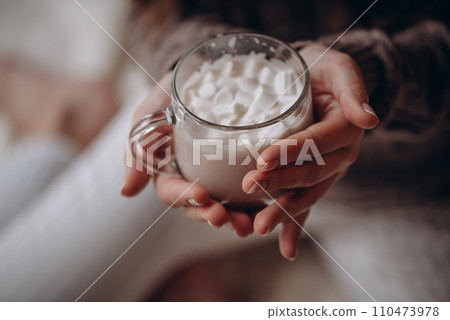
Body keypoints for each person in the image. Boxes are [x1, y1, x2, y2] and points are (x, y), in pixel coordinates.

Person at [0, 0, 449, 301]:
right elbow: (156, 9)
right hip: (199, 153)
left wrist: (378, 77)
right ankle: (62, 122)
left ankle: (58, 135)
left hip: (411, 175)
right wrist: (183, 58)